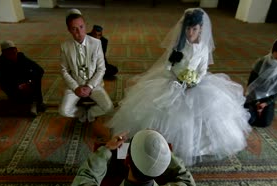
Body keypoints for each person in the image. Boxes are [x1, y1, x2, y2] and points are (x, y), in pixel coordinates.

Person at [106, 8, 251, 165]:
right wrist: (179, 77)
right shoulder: (179, 45)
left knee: (200, 113)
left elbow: (203, 68)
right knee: (161, 110)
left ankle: (195, 145)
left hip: (195, 84)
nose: (190, 33)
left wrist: (195, 80)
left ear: (200, 29)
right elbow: (169, 66)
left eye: (194, 29)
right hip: (173, 81)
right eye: (188, 28)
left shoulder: (203, 47)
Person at [59, 9, 114, 123]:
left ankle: (91, 112)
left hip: (94, 84)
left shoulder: (96, 43)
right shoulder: (65, 46)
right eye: (74, 29)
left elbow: (101, 68)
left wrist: (90, 86)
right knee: (63, 111)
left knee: (109, 107)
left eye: (81, 27)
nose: (79, 32)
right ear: (69, 30)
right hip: (75, 84)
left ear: (85, 25)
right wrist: (75, 87)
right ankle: (81, 112)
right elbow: (64, 70)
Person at [244, 36, 277, 127]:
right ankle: (248, 107)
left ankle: (261, 110)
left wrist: (266, 103)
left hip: (269, 98)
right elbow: (251, 84)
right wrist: (256, 102)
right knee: (250, 120)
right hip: (253, 96)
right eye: (276, 50)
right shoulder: (261, 62)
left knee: (264, 123)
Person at [0, 40, 46, 116]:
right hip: (12, 85)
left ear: (16, 50)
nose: (13, 55)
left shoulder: (21, 57)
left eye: (14, 52)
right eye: (10, 53)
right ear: (4, 53)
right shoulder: (0, 63)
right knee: (19, 102)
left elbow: (39, 70)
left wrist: (29, 82)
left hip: (26, 82)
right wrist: (17, 86)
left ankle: (35, 102)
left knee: (36, 78)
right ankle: (30, 103)